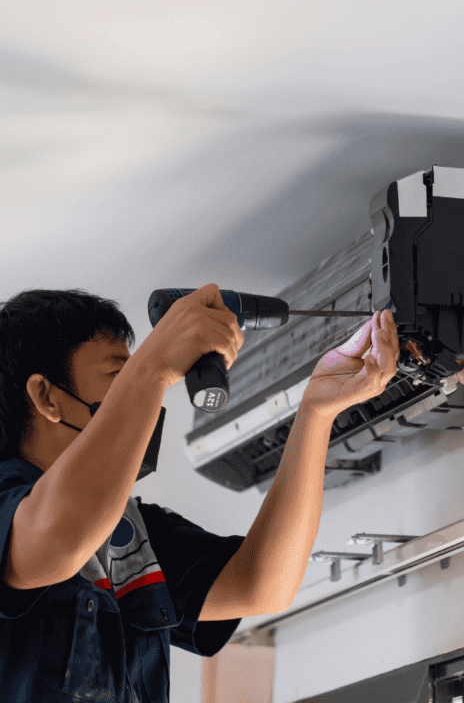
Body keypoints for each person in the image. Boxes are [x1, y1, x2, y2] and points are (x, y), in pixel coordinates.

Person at [0, 284, 399, 702]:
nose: (141, 401)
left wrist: (317, 412)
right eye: (119, 376)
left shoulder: (130, 535)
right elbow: (58, 537)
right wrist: (153, 367)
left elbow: (261, 582)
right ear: (46, 396)